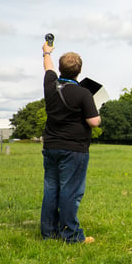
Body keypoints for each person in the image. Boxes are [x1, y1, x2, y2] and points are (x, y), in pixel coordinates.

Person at [40, 41, 101, 244]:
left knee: (51, 189)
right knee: (70, 191)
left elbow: (47, 67)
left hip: (50, 147)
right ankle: (72, 235)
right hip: (74, 149)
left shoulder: (50, 85)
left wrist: (46, 52)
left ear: (60, 69)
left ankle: (49, 233)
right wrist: (98, 114)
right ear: (79, 70)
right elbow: (93, 122)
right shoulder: (83, 93)